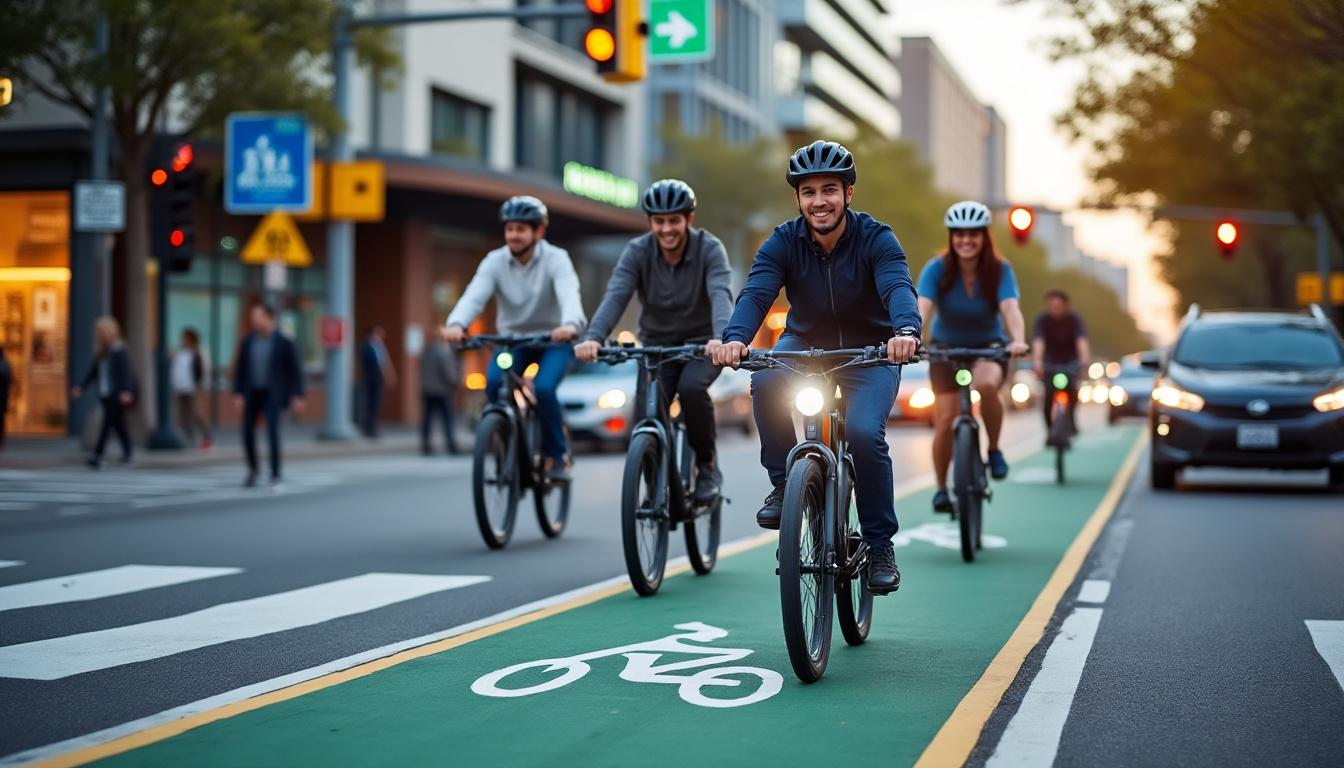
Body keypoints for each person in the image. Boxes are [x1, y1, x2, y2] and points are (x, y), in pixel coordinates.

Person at [712, 140, 920, 594]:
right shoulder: (783, 241)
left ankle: (880, 545)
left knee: (865, 434)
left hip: (873, 350)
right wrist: (735, 340)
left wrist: (904, 331)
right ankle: (785, 484)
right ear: (798, 199)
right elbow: (756, 294)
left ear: (849, 194)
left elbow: (897, 286)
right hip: (805, 345)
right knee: (765, 379)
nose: (819, 200)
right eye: (809, 192)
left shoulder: (877, 237)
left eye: (830, 189)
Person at [575, 179, 733, 503]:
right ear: (650, 223)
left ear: (688, 219)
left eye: (674, 220)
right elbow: (616, 295)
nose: (667, 229)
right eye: (659, 221)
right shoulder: (637, 251)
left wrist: (722, 337)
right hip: (657, 346)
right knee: (646, 415)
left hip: (703, 345)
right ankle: (654, 487)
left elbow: (720, 293)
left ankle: (706, 467)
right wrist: (594, 337)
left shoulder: (710, 249)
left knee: (691, 389)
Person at [444, 195, 586, 481]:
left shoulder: (556, 259)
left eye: (521, 229)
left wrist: (570, 324)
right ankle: (507, 440)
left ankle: (557, 456)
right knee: (495, 383)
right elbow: (474, 295)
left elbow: (569, 294)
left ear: (538, 231)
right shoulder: (495, 262)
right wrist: (456, 323)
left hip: (554, 341)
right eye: (509, 229)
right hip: (514, 341)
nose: (514, 235)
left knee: (544, 388)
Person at [916, 201, 1029, 514]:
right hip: (944, 348)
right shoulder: (936, 269)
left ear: (985, 237)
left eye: (973, 234)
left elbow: (1010, 308)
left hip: (988, 347)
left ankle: (993, 449)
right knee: (945, 419)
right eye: (959, 234)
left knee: (987, 385)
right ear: (951, 238)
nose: (966, 241)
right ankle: (941, 488)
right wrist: (912, 336)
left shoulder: (999, 269)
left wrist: (1017, 340)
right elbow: (921, 306)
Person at [232, 304, 306, 488]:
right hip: (252, 393)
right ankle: (253, 470)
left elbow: (296, 370)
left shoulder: (284, 342)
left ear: (270, 318)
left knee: (272, 432)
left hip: (273, 394)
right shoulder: (248, 341)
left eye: (258, 317)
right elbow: (241, 370)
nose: (254, 321)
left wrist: (298, 395)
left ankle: (275, 473)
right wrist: (238, 393)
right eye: (253, 318)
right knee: (247, 431)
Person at [70, 316, 138, 469]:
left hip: (117, 394)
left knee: (107, 424)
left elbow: (126, 373)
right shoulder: (101, 351)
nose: (99, 334)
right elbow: (93, 372)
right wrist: (81, 387)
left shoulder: (119, 350)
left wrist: (126, 391)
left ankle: (97, 455)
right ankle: (128, 453)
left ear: (109, 332)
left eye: (101, 331)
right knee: (119, 425)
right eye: (97, 331)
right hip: (105, 393)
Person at [1031, 289, 1090, 434]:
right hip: (1049, 364)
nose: (1054, 309)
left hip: (1070, 363)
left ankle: (1071, 419)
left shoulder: (1074, 320)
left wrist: (1084, 362)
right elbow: (1039, 342)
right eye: (1051, 305)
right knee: (1047, 397)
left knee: (1074, 392)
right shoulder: (1042, 320)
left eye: (1058, 305)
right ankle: (1049, 430)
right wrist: (1037, 362)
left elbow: (1081, 341)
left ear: (1065, 305)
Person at [420, 324, 462, 455]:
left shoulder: (427, 351)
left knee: (427, 418)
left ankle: (426, 445)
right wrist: (456, 383)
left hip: (427, 389)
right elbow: (448, 371)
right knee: (447, 418)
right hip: (442, 390)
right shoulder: (444, 351)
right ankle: (451, 444)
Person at [172, 327, 213, 450]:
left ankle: (207, 437)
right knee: (182, 414)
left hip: (193, 387)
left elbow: (203, 370)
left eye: (185, 337)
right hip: (180, 387)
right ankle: (189, 438)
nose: (183, 340)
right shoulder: (180, 352)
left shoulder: (198, 351)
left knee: (195, 412)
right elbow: (177, 369)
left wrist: (202, 385)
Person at [360, 325, 397, 438]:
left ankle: (372, 427)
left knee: (375, 404)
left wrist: (388, 376)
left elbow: (384, 363)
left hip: (377, 379)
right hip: (371, 379)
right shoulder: (367, 346)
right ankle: (369, 428)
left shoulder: (379, 346)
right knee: (371, 404)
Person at [0, 346, 12, 450]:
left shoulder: (3, 365)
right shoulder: (6, 364)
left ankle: (2, 439)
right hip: (3, 396)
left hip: (2, 396)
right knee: (2, 418)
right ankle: (2, 438)